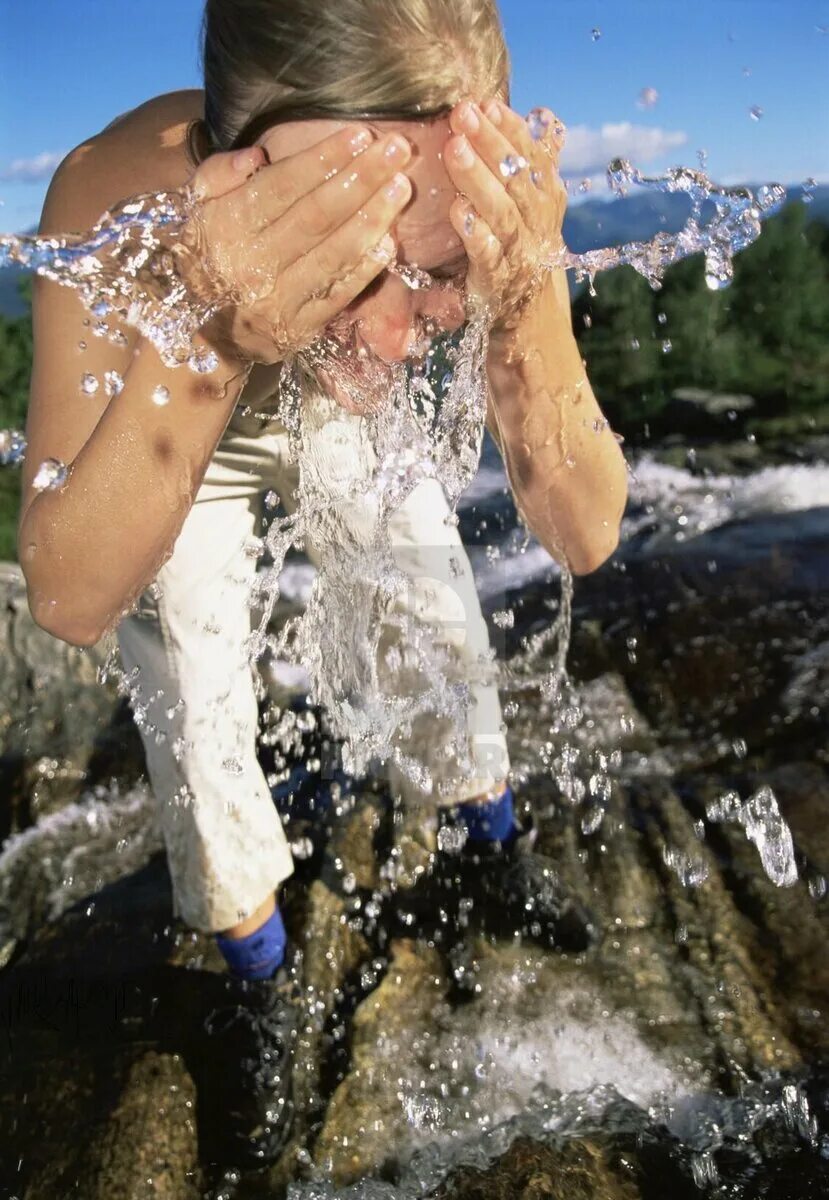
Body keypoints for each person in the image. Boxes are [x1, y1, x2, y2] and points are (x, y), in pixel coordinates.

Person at [19, 0, 628, 1170]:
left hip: (311, 389)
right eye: (360, 266)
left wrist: (524, 297)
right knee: (188, 666)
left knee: (429, 594)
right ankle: (255, 971)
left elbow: (583, 529)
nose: (406, 336)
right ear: (236, 172)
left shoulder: (444, 226)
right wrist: (206, 326)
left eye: (437, 271)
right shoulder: (112, 200)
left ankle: (488, 847)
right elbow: (70, 593)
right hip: (183, 389)